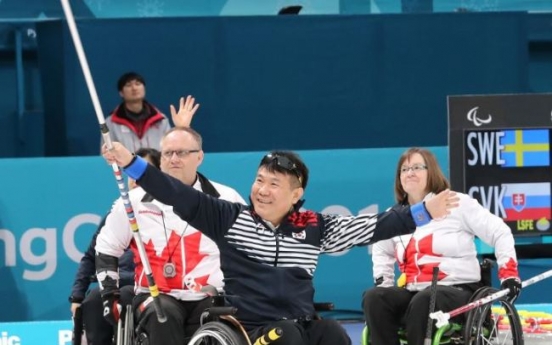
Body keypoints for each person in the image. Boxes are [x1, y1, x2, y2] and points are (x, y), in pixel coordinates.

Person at [101, 142, 459, 345]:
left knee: (333, 334)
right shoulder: (230, 218)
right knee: (285, 335)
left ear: (296, 194)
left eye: (274, 184)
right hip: (249, 328)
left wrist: (421, 212)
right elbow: (175, 192)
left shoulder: (315, 226)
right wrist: (131, 163)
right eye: (259, 180)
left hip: (301, 322)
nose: (262, 190)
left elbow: (372, 225)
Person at [95, 127, 246, 345]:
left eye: (182, 153)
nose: (174, 159)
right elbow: (107, 246)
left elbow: (249, 246)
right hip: (155, 296)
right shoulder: (134, 201)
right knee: (162, 315)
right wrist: (109, 296)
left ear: (200, 157)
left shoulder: (226, 198)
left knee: (220, 318)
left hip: (211, 296)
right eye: (167, 153)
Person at [361, 147, 522, 345]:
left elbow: (500, 232)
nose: (410, 172)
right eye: (404, 169)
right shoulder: (394, 216)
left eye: (417, 167)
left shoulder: (457, 203)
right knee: (375, 298)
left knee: (425, 299)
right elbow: (381, 250)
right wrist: (385, 284)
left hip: (458, 291)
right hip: (414, 291)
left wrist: (509, 275)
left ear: (432, 172)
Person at [69, 147, 161, 345]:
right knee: (94, 298)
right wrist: (76, 296)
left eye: (141, 171)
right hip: (113, 283)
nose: (135, 179)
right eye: (131, 173)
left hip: (146, 285)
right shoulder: (118, 212)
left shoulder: (164, 210)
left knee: (127, 296)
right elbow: (91, 256)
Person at [103, 71, 200, 151]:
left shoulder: (161, 119)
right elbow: (106, 153)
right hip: (126, 172)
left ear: (144, 88)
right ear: (121, 93)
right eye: (128, 85)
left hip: (157, 171)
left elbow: (172, 148)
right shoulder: (111, 122)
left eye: (138, 84)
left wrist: (182, 127)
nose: (134, 88)